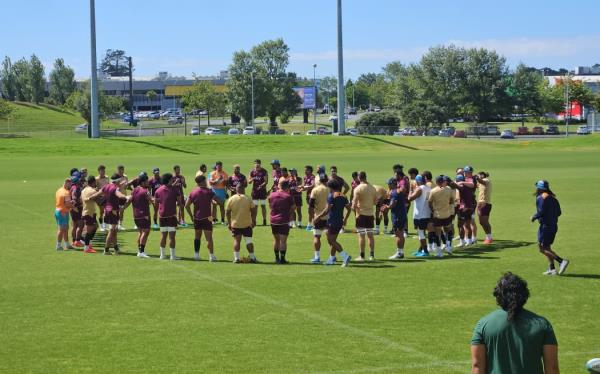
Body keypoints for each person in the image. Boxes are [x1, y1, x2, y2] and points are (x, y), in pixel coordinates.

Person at [471, 272, 559, 374]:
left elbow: (477, 365)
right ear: (524, 295)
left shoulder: (483, 324)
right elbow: (552, 367)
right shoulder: (542, 324)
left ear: (498, 295)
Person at [531, 180, 569, 275]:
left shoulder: (540, 198)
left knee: (542, 248)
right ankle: (552, 269)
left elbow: (541, 212)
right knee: (547, 247)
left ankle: (561, 261)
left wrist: (534, 217)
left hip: (545, 227)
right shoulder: (553, 198)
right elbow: (559, 213)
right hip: (553, 226)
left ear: (539, 188)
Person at [314, 179, 352, 266]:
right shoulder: (343, 196)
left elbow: (327, 210)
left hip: (332, 221)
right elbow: (349, 209)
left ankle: (345, 256)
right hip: (339, 221)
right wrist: (345, 219)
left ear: (331, 187)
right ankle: (331, 259)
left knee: (331, 241)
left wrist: (318, 217)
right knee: (333, 240)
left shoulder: (331, 196)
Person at [186, 175, 220, 262]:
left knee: (197, 237)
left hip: (197, 218)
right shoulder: (209, 191)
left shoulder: (193, 192)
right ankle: (211, 256)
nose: (206, 182)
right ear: (202, 182)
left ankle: (196, 255)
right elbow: (219, 201)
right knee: (209, 238)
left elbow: (187, 206)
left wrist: (191, 216)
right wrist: (213, 201)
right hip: (208, 218)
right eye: (205, 181)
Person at [123, 172, 154, 258]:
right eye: (147, 181)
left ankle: (139, 250)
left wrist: (123, 208)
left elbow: (129, 201)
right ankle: (141, 251)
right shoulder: (145, 191)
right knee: (146, 232)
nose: (148, 182)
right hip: (144, 215)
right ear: (143, 182)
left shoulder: (134, 190)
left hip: (136, 215)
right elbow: (152, 200)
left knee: (140, 232)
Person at [225, 184, 258, 263]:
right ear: (243, 189)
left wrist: (229, 223)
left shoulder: (231, 199)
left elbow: (227, 212)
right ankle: (252, 258)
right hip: (247, 224)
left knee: (237, 241)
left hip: (235, 224)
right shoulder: (248, 198)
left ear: (236, 190)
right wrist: (253, 220)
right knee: (248, 241)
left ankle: (236, 258)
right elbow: (254, 210)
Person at [101, 173, 131, 255]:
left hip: (107, 210)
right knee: (112, 230)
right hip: (113, 211)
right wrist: (126, 197)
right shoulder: (115, 188)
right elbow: (119, 195)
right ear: (117, 181)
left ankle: (116, 248)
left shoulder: (107, 186)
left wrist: (90, 197)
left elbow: (99, 193)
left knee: (114, 230)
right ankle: (106, 250)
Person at [352, 171, 378, 261]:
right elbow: (375, 202)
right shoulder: (373, 188)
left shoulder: (357, 188)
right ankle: (372, 255)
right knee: (370, 236)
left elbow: (354, 204)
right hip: (370, 214)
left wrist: (355, 208)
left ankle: (362, 256)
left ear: (359, 177)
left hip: (361, 214)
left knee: (361, 236)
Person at [269, 180, 295, 264]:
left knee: (276, 240)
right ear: (287, 187)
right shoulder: (288, 196)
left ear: (279, 186)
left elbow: (270, 206)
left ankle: (276, 258)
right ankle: (282, 259)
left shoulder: (271, 195)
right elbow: (293, 208)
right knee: (283, 241)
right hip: (283, 220)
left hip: (273, 220)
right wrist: (289, 214)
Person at [154, 173, 180, 260]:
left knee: (163, 235)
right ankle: (172, 256)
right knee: (172, 236)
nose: (173, 179)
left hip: (161, 216)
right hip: (171, 216)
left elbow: (156, 203)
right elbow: (179, 202)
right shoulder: (174, 189)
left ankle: (162, 255)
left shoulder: (158, 190)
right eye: (172, 179)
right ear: (169, 180)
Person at [428, 175, 455, 257]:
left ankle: (439, 252)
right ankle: (448, 246)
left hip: (437, 215)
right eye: (444, 181)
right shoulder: (449, 189)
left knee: (438, 233)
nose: (445, 182)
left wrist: (433, 210)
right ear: (441, 182)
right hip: (447, 214)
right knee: (448, 230)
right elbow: (451, 201)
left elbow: (429, 202)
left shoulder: (433, 191)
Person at [382, 178, 407, 260]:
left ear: (392, 184)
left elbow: (393, 204)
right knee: (401, 234)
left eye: (389, 184)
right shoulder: (399, 191)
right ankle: (401, 252)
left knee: (398, 235)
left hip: (397, 216)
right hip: (402, 215)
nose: (388, 185)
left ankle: (399, 253)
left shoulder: (394, 192)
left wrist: (387, 207)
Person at [408, 175, 432, 257]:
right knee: (422, 233)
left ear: (417, 181)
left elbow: (410, 198)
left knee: (421, 233)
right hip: (427, 213)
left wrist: (411, 190)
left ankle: (425, 251)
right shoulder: (428, 188)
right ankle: (421, 250)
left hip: (420, 214)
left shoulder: (419, 189)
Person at [309, 173, 330, 263]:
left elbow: (311, 206)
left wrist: (312, 218)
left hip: (318, 216)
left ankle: (317, 257)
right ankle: (332, 256)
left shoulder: (315, 190)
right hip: (330, 216)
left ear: (319, 180)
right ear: (327, 180)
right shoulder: (331, 190)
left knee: (317, 236)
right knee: (331, 238)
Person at [81, 176, 103, 253]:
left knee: (95, 226)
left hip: (87, 212)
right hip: (89, 213)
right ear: (93, 182)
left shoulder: (84, 190)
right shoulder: (93, 191)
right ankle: (86, 247)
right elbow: (99, 202)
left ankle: (88, 243)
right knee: (89, 230)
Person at [454, 173, 477, 247]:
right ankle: (469, 241)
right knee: (467, 225)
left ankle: (462, 241)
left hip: (464, 208)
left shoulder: (462, 187)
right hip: (470, 207)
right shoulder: (469, 186)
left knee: (460, 225)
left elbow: (456, 186)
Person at [55, 177, 74, 251]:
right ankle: (58, 245)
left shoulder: (59, 190)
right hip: (62, 212)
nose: (71, 186)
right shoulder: (66, 193)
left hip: (59, 210)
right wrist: (73, 205)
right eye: (69, 184)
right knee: (61, 229)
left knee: (65, 228)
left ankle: (67, 244)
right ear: (66, 183)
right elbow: (68, 204)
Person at [475, 171, 493, 244]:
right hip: (481, 203)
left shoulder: (486, 180)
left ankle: (489, 238)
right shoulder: (481, 182)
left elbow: (481, 181)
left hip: (484, 203)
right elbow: (475, 185)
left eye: (479, 175)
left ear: (482, 175)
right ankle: (488, 237)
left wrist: (476, 177)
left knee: (484, 221)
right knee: (481, 222)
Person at [249, 159, 269, 226]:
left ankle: (264, 220)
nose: (256, 165)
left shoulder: (264, 171)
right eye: (255, 163)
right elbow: (249, 181)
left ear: (260, 164)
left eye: (258, 163)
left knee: (263, 206)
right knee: (255, 207)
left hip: (262, 191)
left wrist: (261, 186)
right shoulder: (252, 171)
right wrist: (251, 179)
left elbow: (266, 181)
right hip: (255, 192)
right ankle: (254, 221)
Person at [69, 172, 85, 248]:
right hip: (77, 209)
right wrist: (78, 204)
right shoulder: (75, 188)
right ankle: (77, 241)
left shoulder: (72, 187)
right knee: (80, 225)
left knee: (75, 225)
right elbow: (74, 199)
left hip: (73, 209)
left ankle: (74, 241)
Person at [95, 165, 110, 232]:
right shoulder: (96, 179)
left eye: (104, 170)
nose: (103, 172)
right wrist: (100, 190)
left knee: (106, 211)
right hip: (100, 197)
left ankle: (104, 225)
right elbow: (95, 188)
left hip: (106, 197)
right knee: (101, 211)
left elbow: (108, 185)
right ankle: (101, 226)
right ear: (99, 171)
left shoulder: (107, 177)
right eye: (102, 170)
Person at [302, 165, 316, 231]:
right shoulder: (305, 177)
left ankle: (314, 225)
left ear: (310, 170)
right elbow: (304, 186)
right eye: (305, 170)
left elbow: (313, 185)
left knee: (311, 210)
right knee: (309, 211)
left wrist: (306, 187)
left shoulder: (313, 177)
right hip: (307, 196)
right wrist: (301, 188)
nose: (305, 171)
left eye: (306, 170)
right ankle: (310, 225)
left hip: (313, 196)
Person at [116, 165, 129, 231]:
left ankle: (120, 225)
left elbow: (126, 187)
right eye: (120, 170)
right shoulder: (115, 177)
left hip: (123, 196)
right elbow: (115, 186)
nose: (121, 171)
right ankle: (116, 224)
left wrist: (126, 185)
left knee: (122, 211)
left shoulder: (125, 177)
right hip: (117, 196)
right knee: (117, 211)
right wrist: (121, 184)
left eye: (122, 170)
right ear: (117, 170)